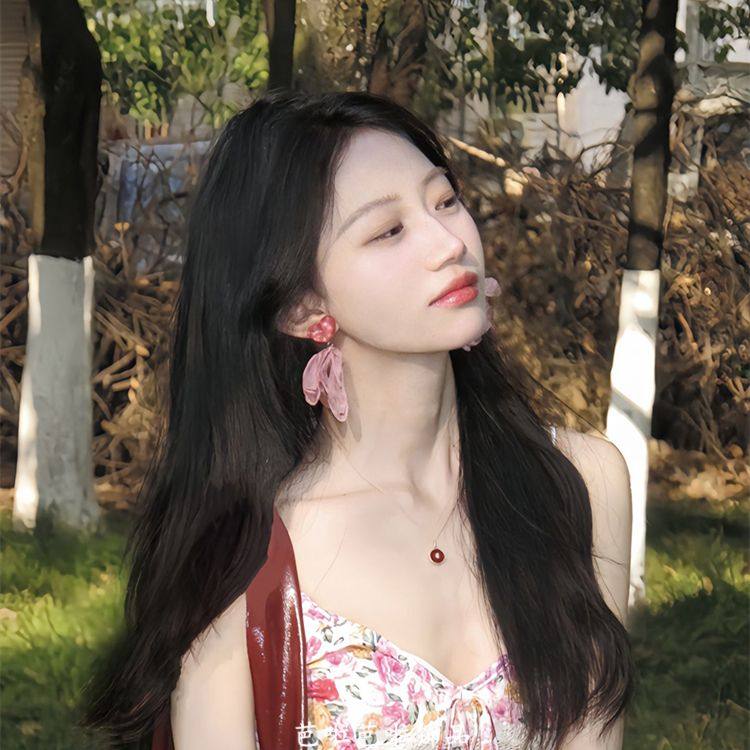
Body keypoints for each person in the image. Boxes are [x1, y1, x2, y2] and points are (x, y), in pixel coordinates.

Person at [81, 90, 635, 750]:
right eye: (388, 231)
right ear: (300, 305)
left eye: (444, 200)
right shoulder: (240, 555)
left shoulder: (582, 482)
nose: (449, 243)